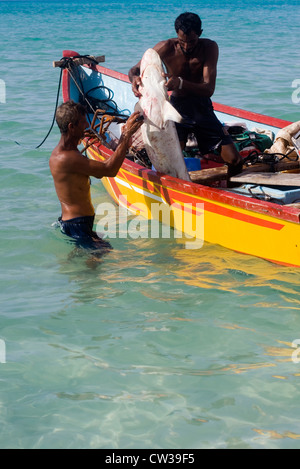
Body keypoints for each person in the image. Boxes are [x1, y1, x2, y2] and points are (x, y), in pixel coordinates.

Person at [128, 12, 243, 177]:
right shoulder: (166, 47)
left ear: (200, 33)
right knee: (168, 157)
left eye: (192, 41)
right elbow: (134, 70)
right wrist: (134, 79)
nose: (187, 46)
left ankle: (232, 194)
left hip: (202, 108)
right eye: (182, 41)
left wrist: (181, 82)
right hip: (177, 106)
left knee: (235, 161)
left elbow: (209, 89)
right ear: (176, 34)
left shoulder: (209, 48)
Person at [49, 100, 143, 250]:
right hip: (77, 224)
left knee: (89, 255)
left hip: (76, 222)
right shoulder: (67, 158)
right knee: (101, 255)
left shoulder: (64, 153)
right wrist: (126, 135)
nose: (87, 125)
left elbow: (99, 172)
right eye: (82, 122)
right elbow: (109, 170)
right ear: (71, 127)